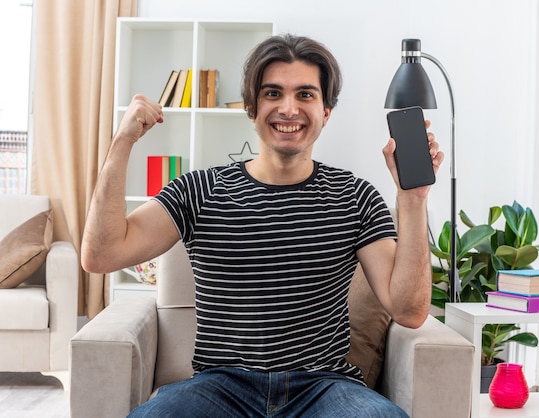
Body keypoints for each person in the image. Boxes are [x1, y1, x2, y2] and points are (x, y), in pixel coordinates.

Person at [82, 33, 444, 417]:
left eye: (305, 95)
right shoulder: (199, 190)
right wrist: (121, 143)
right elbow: (102, 254)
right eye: (273, 94)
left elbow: (409, 311)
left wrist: (412, 198)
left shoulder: (354, 196)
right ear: (252, 108)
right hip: (220, 386)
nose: (289, 109)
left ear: (326, 111)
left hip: (324, 388)